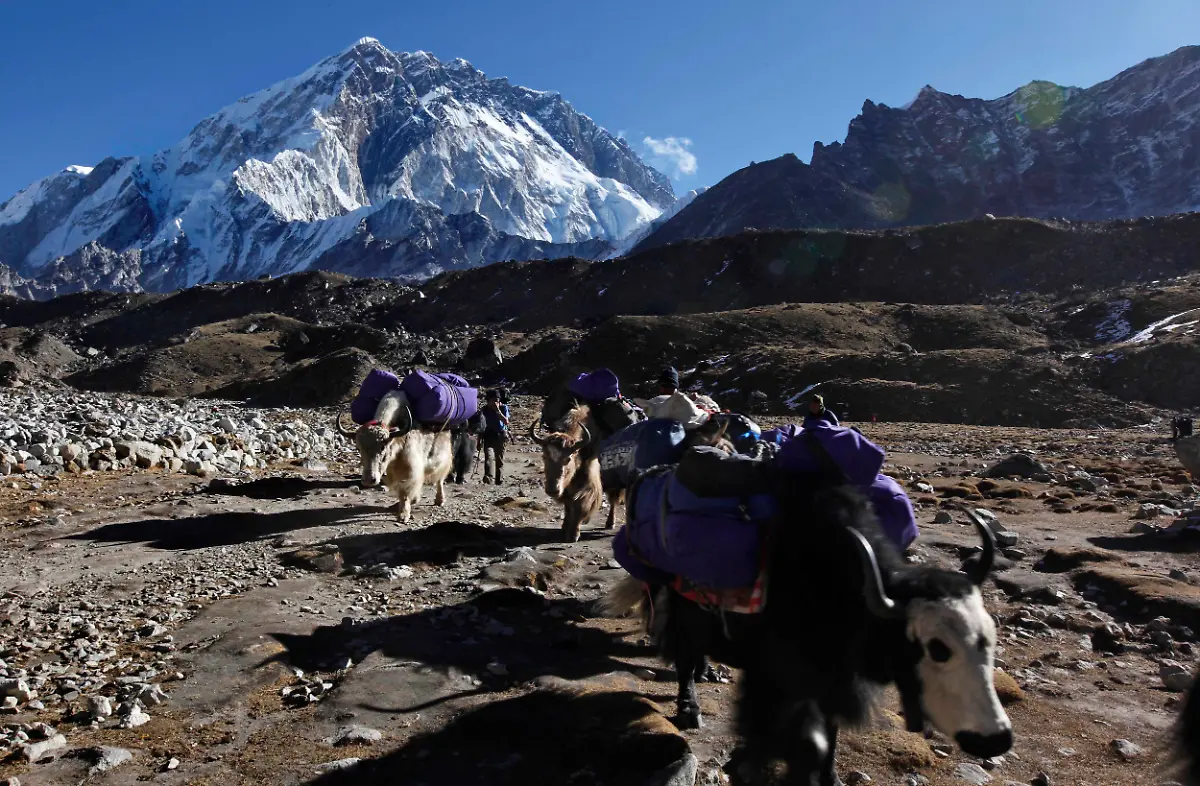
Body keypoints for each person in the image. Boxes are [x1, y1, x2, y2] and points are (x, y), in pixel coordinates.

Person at [480, 389, 510, 484]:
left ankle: (499, 479)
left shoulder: (503, 408)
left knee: (499, 459)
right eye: (494, 400)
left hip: (501, 435)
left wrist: (497, 411)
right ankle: (488, 477)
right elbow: (481, 426)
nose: (496, 402)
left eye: (497, 400)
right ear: (488, 400)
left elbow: (506, 421)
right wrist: (478, 441)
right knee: (488, 457)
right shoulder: (484, 410)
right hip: (488, 435)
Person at [450, 410, 484, 484]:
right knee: (455, 456)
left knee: (463, 456)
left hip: (463, 434)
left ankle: (459, 476)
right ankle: (452, 475)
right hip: (457, 432)